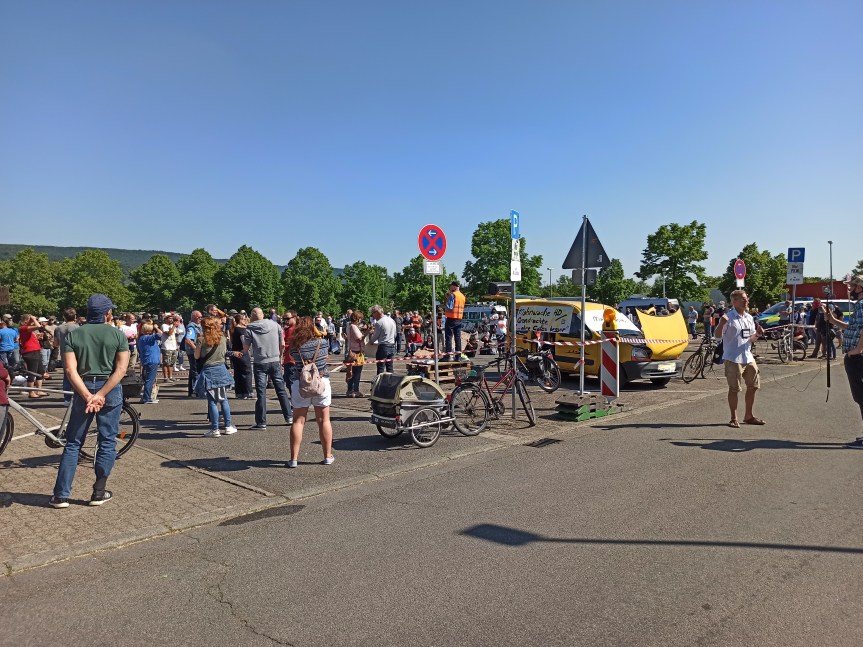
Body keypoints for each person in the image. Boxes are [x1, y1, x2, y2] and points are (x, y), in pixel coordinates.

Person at [49, 294, 129, 508]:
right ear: (107, 313)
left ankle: (61, 495)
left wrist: (87, 395)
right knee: (107, 440)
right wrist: (101, 394)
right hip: (109, 390)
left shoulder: (75, 335)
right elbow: (121, 369)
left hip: (82, 387)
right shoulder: (117, 335)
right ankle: (98, 492)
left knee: (73, 442)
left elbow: (69, 370)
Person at [287, 316, 334, 468]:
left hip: (300, 384)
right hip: (321, 383)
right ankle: (327, 456)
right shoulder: (323, 343)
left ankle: (294, 458)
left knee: (298, 421)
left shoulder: (295, 347)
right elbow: (327, 355)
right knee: (324, 420)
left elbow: (293, 359)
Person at [714, 289, 764, 428]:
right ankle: (733, 418)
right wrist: (721, 324)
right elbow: (717, 336)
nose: (746, 300)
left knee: (753, 386)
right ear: (734, 301)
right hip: (732, 358)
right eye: (743, 298)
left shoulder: (749, 317)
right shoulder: (728, 317)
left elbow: (751, 338)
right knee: (734, 389)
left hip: (748, 357)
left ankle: (748, 416)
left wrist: (758, 334)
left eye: (746, 298)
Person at [826, 274, 863, 445]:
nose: (850, 290)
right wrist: (833, 320)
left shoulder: (862, 305)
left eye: (853, 287)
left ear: (860, 288)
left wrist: (858, 349)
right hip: (855, 355)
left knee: (861, 396)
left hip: (857, 357)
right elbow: (852, 327)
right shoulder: (859, 306)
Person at [244, 307, 293, 430]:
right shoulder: (275, 325)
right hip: (274, 359)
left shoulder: (250, 328)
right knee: (281, 390)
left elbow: (245, 349)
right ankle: (289, 417)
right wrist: (280, 356)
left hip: (260, 361)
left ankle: (261, 422)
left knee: (261, 392)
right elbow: (282, 344)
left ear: (252, 316)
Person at [193, 316, 237, 438]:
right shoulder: (222, 338)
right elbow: (224, 353)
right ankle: (228, 426)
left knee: (212, 402)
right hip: (221, 369)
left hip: (209, 371)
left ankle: (215, 429)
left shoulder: (201, 340)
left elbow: (196, 356)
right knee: (224, 400)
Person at [53, 308, 79, 405]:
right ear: (75, 317)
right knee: (78, 376)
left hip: (65, 354)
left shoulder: (58, 328)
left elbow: (55, 344)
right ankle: (77, 396)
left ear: (64, 317)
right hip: (77, 355)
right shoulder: (78, 328)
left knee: (67, 377)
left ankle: (67, 399)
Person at [17, 315, 46, 398]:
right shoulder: (23, 328)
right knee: (32, 372)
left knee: (40, 371)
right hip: (30, 352)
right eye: (30, 320)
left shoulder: (27, 328)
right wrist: (34, 319)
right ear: (26, 321)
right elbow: (38, 326)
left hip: (36, 351)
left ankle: (39, 390)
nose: (33, 321)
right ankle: (31, 392)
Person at [228, 313, 253, 399]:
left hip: (234, 352)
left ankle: (239, 393)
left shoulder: (233, 329)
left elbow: (231, 342)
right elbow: (244, 342)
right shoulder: (242, 330)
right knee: (246, 372)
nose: (246, 321)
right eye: (245, 319)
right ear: (241, 320)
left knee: (237, 373)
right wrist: (247, 350)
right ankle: (248, 392)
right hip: (242, 353)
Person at [137, 322, 162, 404]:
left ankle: (147, 397)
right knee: (150, 380)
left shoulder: (141, 338)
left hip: (147, 360)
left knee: (149, 379)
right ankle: (146, 398)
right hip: (152, 360)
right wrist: (156, 328)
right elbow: (160, 335)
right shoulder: (147, 338)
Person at [369, 305, 397, 374]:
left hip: (383, 346)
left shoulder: (379, 323)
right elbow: (395, 334)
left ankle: (380, 383)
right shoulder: (392, 320)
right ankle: (390, 382)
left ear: (376, 312)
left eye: (372, 313)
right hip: (392, 345)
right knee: (390, 367)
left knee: (380, 368)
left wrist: (371, 340)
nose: (372, 316)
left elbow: (375, 337)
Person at [345, 311, 366, 397]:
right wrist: (367, 332)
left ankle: (350, 390)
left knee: (351, 372)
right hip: (357, 352)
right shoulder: (354, 327)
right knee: (357, 373)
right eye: (360, 318)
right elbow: (359, 338)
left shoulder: (349, 326)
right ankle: (355, 390)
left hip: (351, 350)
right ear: (357, 319)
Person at [184, 310, 203, 396]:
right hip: (192, 352)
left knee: (193, 371)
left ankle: (191, 391)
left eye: (200, 317)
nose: (200, 318)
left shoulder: (198, 325)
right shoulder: (191, 327)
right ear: (193, 317)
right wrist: (196, 349)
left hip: (195, 351)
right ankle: (196, 391)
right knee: (195, 371)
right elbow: (188, 340)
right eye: (198, 317)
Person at [282, 311, 298, 414]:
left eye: (287, 318)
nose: (285, 321)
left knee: (291, 383)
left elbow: (291, 344)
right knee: (290, 383)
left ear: (294, 318)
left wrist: (282, 345)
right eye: (284, 319)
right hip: (289, 359)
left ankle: (295, 404)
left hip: (291, 360)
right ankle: (295, 403)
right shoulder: (289, 329)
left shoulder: (293, 330)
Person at [160, 314, 179, 383]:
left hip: (173, 347)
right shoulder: (164, 326)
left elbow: (174, 336)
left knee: (171, 363)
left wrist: (176, 345)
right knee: (166, 363)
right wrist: (174, 326)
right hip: (166, 347)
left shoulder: (172, 326)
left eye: (172, 318)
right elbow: (169, 333)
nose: (171, 320)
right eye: (169, 318)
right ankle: (165, 377)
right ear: (165, 319)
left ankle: (170, 376)